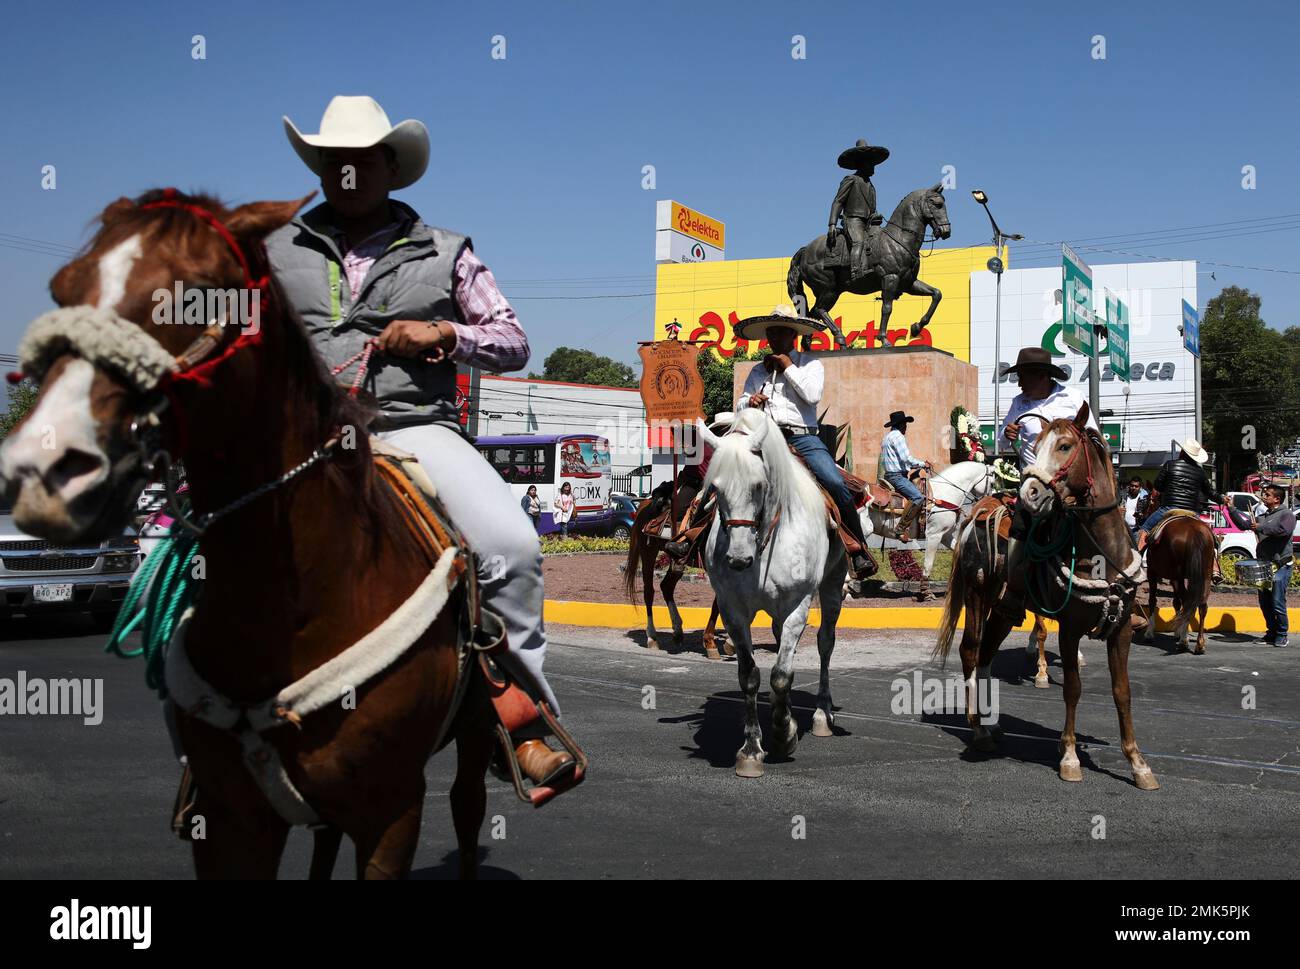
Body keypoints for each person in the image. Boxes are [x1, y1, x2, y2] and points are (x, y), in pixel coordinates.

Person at [266, 95, 577, 792]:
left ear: (389, 165)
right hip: (303, 441)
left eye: (361, 160)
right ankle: (208, 738)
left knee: (511, 548)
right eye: (334, 161)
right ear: (322, 169)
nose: (348, 172)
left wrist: (443, 336)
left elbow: (513, 341)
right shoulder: (274, 251)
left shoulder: (448, 251)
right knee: (197, 549)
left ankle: (519, 721)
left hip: (412, 430)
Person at [735, 306, 876, 579]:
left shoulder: (811, 364)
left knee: (834, 482)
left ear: (793, 336)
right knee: (731, 475)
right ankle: (694, 536)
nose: (774, 337)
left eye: (780, 332)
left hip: (804, 437)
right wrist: (750, 402)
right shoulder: (757, 371)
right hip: (767, 436)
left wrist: (787, 367)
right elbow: (741, 403)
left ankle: (857, 548)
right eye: (770, 333)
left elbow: (812, 396)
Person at [993, 346, 1098, 622]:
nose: (1018, 382)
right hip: (1034, 486)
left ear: (1040, 375)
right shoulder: (1018, 403)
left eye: (1022, 376)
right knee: (1019, 529)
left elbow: (1094, 437)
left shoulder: (1072, 398)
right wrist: (1007, 433)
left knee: (1106, 525)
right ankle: (1014, 594)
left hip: (1069, 487)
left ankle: (1123, 594)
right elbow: (1001, 442)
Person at [1134, 439, 1222, 552]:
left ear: (1182, 452)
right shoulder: (1200, 472)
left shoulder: (1169, 465)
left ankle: (1137, 562)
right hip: (1192, 512)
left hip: (1168, 508)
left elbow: (1158, 487)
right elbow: (1210, 493)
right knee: (1210, 541)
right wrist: (1222, 500)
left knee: (1144, 530)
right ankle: (1215, 567)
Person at [827, 138, 889, 279]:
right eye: (870, 163)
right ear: (862, 163)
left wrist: (875, 216)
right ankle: (856, 271)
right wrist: (832, 224)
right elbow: (838, 201)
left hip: (868, 223)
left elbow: (871, 208)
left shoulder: (871, 186)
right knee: (858, 242)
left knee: (883, 241)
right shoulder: (851, 179)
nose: (873, 167)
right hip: (853, 220)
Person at [1245, 484, 1294, 647]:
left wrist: (1261, 527)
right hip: (1264, 566)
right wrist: (1230, 509)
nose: (1263, 496)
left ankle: (1282, 634)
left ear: (1277, 499)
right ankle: (1271, 632)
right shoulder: (1265, 515)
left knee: (1277, 601)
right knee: (1265, 602)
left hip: (1281, 565)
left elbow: (1283, 531)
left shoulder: (1286, 515)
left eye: (1267, 494)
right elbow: (1246, 524)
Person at [881, 410, 932, 533]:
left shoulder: (887, 437)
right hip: (897, 477)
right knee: (917, 497)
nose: (906, 428)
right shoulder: (898, 436)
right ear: (901, 425)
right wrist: (922, 464)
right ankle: (901, 527)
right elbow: (906, 459)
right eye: (905, 425)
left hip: (888, 475)